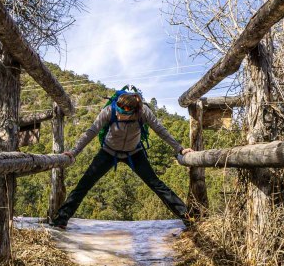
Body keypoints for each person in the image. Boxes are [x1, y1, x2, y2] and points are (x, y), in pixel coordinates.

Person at [49, 90, 193, 229]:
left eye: (123, 113)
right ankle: (61, 219)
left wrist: (180, 149)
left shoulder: (143, 112)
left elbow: (161, 130)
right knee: (85, 183)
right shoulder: (109, 111)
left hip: (134, 153)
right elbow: (92, 131)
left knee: (157, 185)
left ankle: (188, 217)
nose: (118, 115)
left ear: (133, 111)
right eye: (117, 110)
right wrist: (74, 152)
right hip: (108, 152)